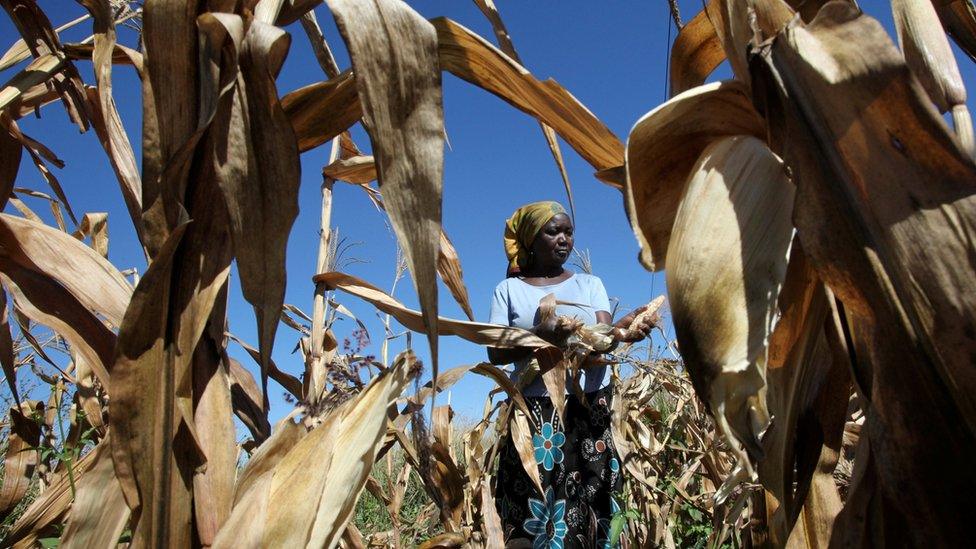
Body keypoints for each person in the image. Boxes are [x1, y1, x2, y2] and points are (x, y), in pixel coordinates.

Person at [487, 200, 653, 548]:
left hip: (587, 407)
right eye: (553, 231)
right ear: (532, 238)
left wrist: (625, 331)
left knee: (590, 500)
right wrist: (543, 337)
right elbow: (495, 351)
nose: (564, 239)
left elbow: (602, 342)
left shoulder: (591, 284)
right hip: (536, 413)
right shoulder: (509, 291)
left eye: (568, 232)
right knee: (536, 500)